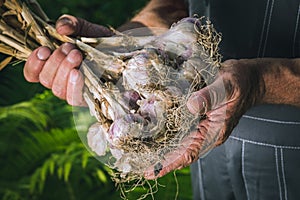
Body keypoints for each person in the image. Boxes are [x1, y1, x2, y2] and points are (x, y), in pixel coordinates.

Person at [24, 0, 300, 199]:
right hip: (203, 141)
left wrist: (262, 82)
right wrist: (136, 35)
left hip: (289, 154)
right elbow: (175, 4)